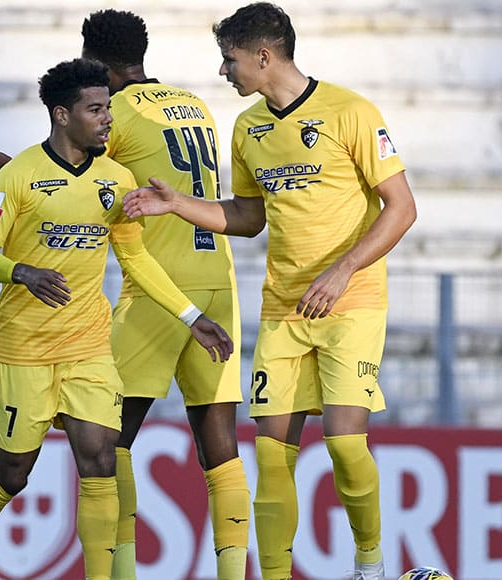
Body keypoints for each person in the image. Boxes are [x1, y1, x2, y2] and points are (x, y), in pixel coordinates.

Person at [123, 4, 417, 579]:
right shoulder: (248, 129)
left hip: (351, 304)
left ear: (263, 56)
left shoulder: (351, 112)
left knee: (344, 444)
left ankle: (370, 565)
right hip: (284, 309)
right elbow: (247, 216)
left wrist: (342, 270)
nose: (223, 72)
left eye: (230, 60)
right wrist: (179, 204)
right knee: (273, 455)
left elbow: (402, 207)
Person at [0, 58, 234, 580]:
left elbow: (136, 259)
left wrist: (190, 316)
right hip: (23, 351)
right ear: (61, 114)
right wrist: (21, 271)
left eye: (109, 109)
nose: (106, 120)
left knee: (100, 460)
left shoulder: (117, 180)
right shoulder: (19, 175)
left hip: (89, 348)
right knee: (12, 472)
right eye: (95, 109)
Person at [80, 10, 250, 579]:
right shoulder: (193, 104)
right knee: (219, 444)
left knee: (109, 440)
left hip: (158, 286)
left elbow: (83, 182)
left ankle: (122, 572)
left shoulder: (114, 115)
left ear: (95, 62)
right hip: (217, 280)